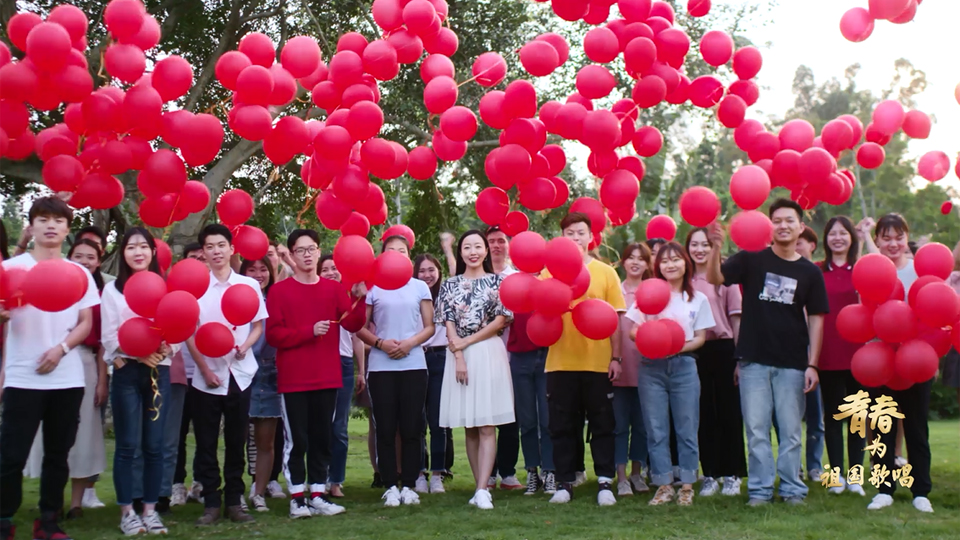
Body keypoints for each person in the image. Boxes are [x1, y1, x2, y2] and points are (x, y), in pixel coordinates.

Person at [705, 198, 829, 506]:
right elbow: (715, 278)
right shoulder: (751, 259)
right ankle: (759, 491)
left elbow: (816, 319)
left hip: (792, 363)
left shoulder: (810, 273)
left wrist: (812, 364)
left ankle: (791, 489)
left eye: (790, 220)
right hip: (753, 361)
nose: (783, 226)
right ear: (768, 226)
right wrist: (716, 247)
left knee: (790, 432)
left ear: (801, 227)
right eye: (777, 221)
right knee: (757, 430)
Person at [0, 197, 99, 540]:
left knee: (58, 454)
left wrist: (61, 349)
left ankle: (48, 520)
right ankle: (4, 519)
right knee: (11, 454)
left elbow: (85, 322)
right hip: (21, 376)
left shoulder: (79, 273)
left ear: (67, 229)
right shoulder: (12, 269)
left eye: (58, 220)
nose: (51, 226)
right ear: (32, 226)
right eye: (43, 219)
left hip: (66, 377)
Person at [267, 229, 365, 518]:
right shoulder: (279, 291)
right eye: (301, 250)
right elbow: (274, 335)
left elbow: (351, 324)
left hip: (328, 376)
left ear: (318, 251)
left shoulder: (334, 290)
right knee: (297, 439)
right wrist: (308, 332)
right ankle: (297, 496)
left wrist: (360, 300)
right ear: (292, 254)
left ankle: (318, 493)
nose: (307, 255)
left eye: (312, 249)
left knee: (323, 438)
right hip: (294, 378)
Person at [542, 212, 625, 506]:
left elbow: (615, 319)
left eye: (580, 233)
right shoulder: (548, 273)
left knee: (603, 424)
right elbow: (540, 310)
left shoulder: (606, 272)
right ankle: (565, 481)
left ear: (591, 237)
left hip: (598, 363)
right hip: (560, 363)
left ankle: (604, 481)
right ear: (562, 237)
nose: (575, 238)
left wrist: (616, 357)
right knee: (562, 426)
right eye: (569, 233)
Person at [187, 224, 267, 526]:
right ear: (203, 252)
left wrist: (246, 346)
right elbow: (188, 332)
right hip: (206, 376)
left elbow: (258, 325)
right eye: (210, 246)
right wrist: (204, 369)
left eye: (221, 245)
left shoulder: (247, 285)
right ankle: (211, 503)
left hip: (240, 374)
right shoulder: (195, 287)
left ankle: (234, 501)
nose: (216, 251)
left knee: (236, 442)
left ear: (232, 248)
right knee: (206, 443)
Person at [101, 227, 176, 534]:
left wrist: (168, 347)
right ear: (123, 253)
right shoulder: (112, 291)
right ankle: (127, 512)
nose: (138, 252)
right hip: (128, 374)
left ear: (153, 252)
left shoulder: (166, 287)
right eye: (131, 247)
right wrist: (136, 354)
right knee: (128, 445)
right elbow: (108, 336)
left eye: (143, 246)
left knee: (155, 445)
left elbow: (178, 324)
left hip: (160, 371)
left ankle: (149, 509)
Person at [627, 242, 715, 506]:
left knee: (687, 427)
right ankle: (663, 484)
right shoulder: (650, 294)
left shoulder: (697, 298)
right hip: (651, 367)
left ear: (685, 263)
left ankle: (687, 485)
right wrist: (649, 342)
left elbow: (701, 337)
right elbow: (633, 330)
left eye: (676, 259)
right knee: (656, 428)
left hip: (684, 366)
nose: (670, 265)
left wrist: (675, 347)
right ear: (658, 266)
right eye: (665, 261)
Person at [858, 214, 934, 513]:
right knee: (881, 429)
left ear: (907, 238)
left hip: (915, 361)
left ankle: (921, 491)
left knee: (916, 428)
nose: (893, 243)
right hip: (880, 362)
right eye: (886, 238)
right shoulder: (871, 271)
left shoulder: (919, 271)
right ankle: (884, 489)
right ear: (877, 241)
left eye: (898, 237)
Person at [435, 230, 515, 509]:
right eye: (467, 246)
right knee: (469, 423)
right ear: (461, 252)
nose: (473, 251)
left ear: (485, 251)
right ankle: (478, 483)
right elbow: (448, 323)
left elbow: (501, 320)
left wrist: (467, 342)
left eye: (477, 246)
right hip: (459, 355)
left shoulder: (497, 282)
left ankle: (484, 489)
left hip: (488, 352)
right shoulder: (450, 285)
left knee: (486, 423)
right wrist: (458, 355)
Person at [357, 236, 435, 507]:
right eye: (391, 251)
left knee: (413, 427)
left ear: (408, 256)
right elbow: (360, 325)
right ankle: (390, 483)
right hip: (381, 367)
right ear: (381, 256)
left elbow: (429, 326)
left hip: (413, 364)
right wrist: (380, 343)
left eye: (401, 251)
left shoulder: (418, 287)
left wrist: (410, 343)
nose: (396, 255)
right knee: (386, 428)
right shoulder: (373, 288)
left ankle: (411, 483)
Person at [686, 229, 746, 497]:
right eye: (694, 244)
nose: (700, 249)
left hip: (723, 349)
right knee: (703, 415)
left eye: (705, 245)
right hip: (693, 351)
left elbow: (736, 320)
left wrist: (739, 358)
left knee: (729, 413)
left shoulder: (725, 278)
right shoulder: (683, 280)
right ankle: (710, 473)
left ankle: (733, 474)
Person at [816, 216, 866, 497]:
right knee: (833, 418)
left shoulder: (861, 270)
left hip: (858, 355)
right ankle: (835, 476)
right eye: (832, 233)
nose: (837, 238)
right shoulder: (816, 271)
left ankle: (855, 477)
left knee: (858, 418)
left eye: (843, 233)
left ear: (851, 238)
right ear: (826, 240)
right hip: (828, 353)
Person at [65, 239, 109, 516]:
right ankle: (50, 500)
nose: (84, 261)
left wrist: (103, 380)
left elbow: (104, 341)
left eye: (90, 257)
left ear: (99, 262)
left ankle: (76, 503)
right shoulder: (54, 284)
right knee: (56, 433)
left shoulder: (101, 295)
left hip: (87, 362)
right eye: (78, 256)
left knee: (84, 433)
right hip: (53, 362)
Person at [318, 254, 367, 499]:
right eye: (324, 269)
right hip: (318, 364)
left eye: (334, 268)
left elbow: (357, 337)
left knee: (339, 427)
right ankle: (316, 478)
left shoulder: (350, 300)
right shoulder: (314, 297)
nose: (330, 272)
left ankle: (336, 480)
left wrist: (362, 371)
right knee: (318, 425)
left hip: (344, 364)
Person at [170, 243, 211, 506]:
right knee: (177, 434)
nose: (197, 262)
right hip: (179, 375)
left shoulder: (214, 293)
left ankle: (200, 483)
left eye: (201, 258)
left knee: (205, 434)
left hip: (208, 377)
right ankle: (176, 485)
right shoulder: (175, 294)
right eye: (191, 258)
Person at [482, 226, 522, 490]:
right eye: (491, 241)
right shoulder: (478, 278)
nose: (496, 245)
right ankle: (489, 472)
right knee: (486, 416)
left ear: (508, 245)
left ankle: (508, 472)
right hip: (484, 355)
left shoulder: (517, 277)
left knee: (511, 417)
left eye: (501, 241)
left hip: (513, 355)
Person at [241, 256, 280, 513]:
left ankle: (259, 493)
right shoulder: (234, 299)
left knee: (266, 441)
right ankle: (236, 492)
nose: (258, 274)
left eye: (263, 269)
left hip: (269, 373)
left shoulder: (276, 301)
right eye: (251, 269)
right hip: (239, 372)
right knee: (237, 439)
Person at [613, 243, 652, 496]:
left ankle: (637, 474)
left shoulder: (654, 292)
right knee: (618, 425)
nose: (635, 262)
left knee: (643, 425)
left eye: (641, 259)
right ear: (623, 262)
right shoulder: (614, 290)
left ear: (648, 264)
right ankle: (620, 476)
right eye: (631, 258)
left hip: (648, 368)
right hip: (619, 366)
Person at [413, 253, 454, 494]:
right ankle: (419, 473)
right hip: (416, 357)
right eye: (422, 270)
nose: (427, 275)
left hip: (441, 358)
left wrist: (449, 250)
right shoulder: (412, 295)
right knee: (416, 420)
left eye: (431, 270)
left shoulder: (446, 296)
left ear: (439, 272)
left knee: (438, 420)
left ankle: (437, 473)